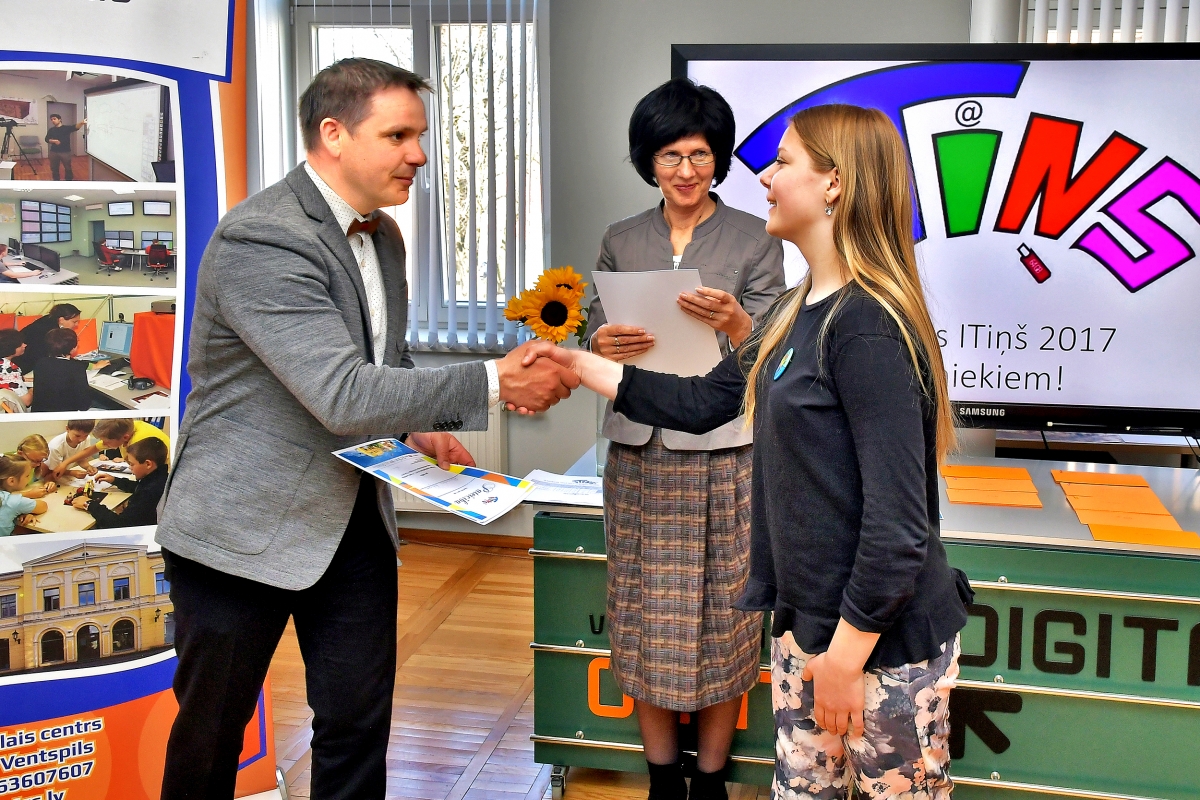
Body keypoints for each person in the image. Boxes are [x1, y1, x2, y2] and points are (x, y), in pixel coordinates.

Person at [154, 57, 578, 800]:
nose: (419, 154)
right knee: (211, 735)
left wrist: (421, 427)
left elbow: (386, 361)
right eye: (399, 135)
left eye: (420, 136)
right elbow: (342, 394)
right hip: (240, 528)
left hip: (353, 520)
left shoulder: (384, 238)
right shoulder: (263, 238)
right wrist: (494, 381)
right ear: (333, 134)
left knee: (356, 727)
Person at [524, 104, 972, 800]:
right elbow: (702, 401)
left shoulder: (867, 327)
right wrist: (577, 364)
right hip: (808, 632)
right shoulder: (798, 308)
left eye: (783, 162)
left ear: (833, 184)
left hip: (879, 647)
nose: (763, 176)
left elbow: (897, 530)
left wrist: (845, 661)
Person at [585, 77, 785, 800]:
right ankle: (662, 779)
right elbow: (590, 331)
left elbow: (776, 347)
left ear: (719, 158)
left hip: (724, 453)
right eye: (670, 154)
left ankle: (712, 779)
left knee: (726, 619)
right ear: (649, 159)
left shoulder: (757, 238)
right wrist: (600, 340)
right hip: (639, 451)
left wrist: (738, 324)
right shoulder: (621, 238)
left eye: (700, 154)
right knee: (641, 615)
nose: (686, 169)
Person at [74, 437, 167, 528]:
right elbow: (138, 486)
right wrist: (114, 480)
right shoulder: (159, 478)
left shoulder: (150, 492)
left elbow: (119, 524)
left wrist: (89, 504)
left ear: (148, 464)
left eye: (132, 464)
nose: (130, 467)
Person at [51, 417, 165, 476]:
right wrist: (64, 464)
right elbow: (93, 449)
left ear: (125, 438)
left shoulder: (139, 442)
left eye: (106, 442)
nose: (104, 444)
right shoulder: (123, 430)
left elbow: (145, 473)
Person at [31, 329, 96, 413]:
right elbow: (84, 405)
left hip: (40, 415)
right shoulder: (76, 368)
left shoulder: (40, 363)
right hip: (65, 417)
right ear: (72, 349)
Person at [15, 303, 82, 373]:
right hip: (25, 363)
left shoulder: (49, 320)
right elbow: (56, 354)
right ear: (61, 320)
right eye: (74, 322)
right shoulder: (49, 331)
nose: (76, 324)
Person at [0, 455, 48, 535]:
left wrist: (21, 512)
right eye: (27, 476)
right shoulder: (13, 501)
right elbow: (43, 506)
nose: (29, 479)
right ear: (11, 481)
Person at [44, 114, 87, 181]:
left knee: (68, 168)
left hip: (65, 152)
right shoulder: (51, 130)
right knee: (54, 168)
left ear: (60, 119)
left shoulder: (66, 128)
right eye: (51, 119)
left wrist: (82, 123)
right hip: (54, 152)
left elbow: (75, 127)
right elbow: (46, 139)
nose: (53, 121)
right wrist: (54, 141)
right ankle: (56, 181)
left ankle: (68, 182)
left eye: (54, 119)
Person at [0, 329, 31, 408]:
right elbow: (26, 401)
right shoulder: (10, 370)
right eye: (20, 344)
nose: (24, 345)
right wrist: (34, 388)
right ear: (10, 348)